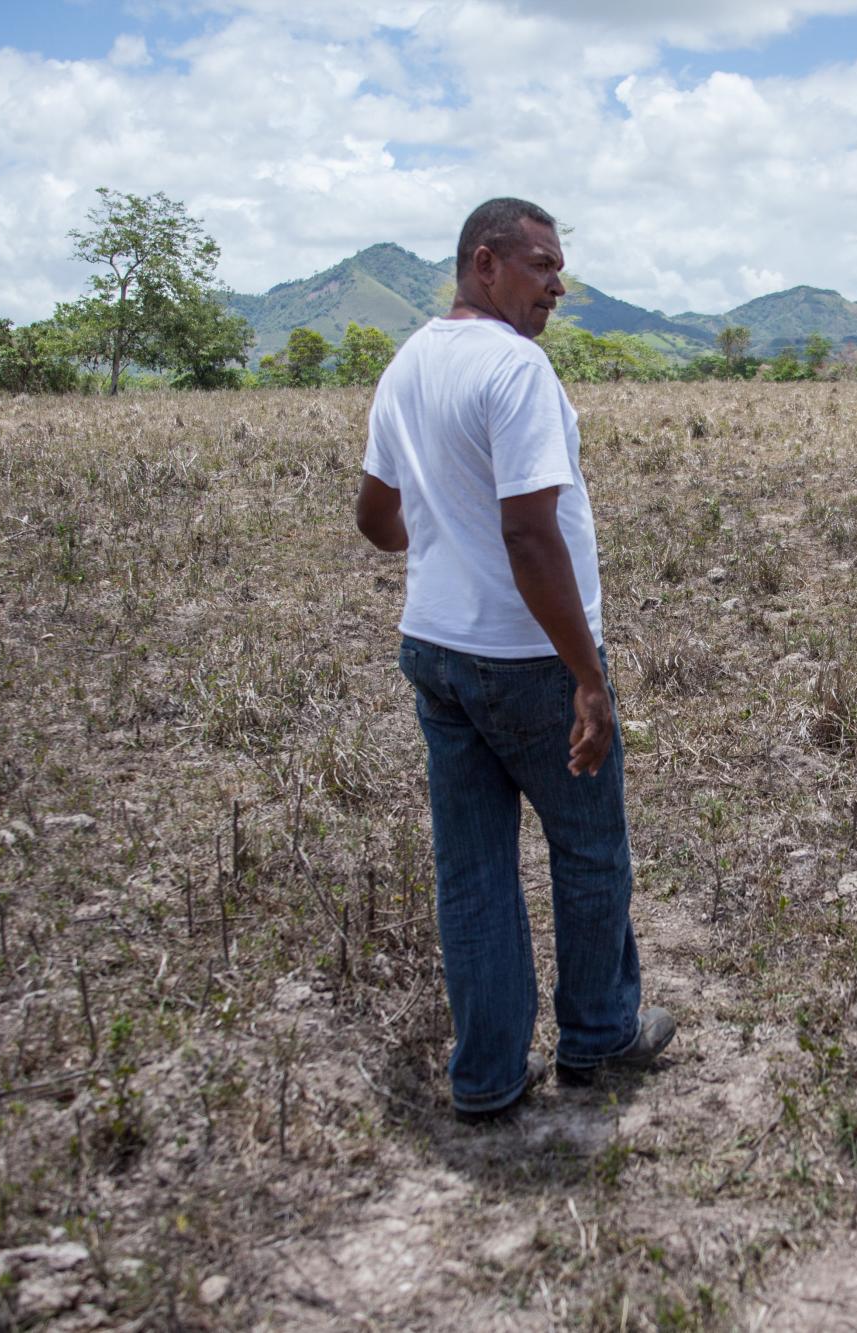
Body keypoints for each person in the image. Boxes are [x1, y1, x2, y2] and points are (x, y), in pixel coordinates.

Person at [353, 197, 674, 1123]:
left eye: (559, 268)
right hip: (529, 656)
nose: (557, 287)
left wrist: (444, 532)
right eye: (541, 265)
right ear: (484, 263)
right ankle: (599, 1033)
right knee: (588, 848)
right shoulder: (516, 367)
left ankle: (488, 1073)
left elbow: (375, 518)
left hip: (437, 651)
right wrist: (587, 678)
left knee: (474, 868)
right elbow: (532, 536)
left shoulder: (409, 362)